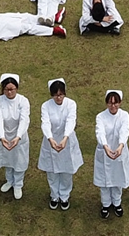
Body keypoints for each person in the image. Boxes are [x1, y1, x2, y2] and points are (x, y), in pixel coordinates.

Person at [39, 78, 84, 210]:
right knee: (52, 172)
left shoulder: (71, 104)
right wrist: (50, 139)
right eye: (55, 95)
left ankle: (64, 195)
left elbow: (71, 121)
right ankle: (54, 195)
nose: (59, 98)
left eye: (61, 94)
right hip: (50, 141)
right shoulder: (45, 106)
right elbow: (45, 123)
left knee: (66, 171)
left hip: (67, 141)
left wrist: (65, 138)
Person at [94, 89, 129, 219]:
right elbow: (100, 132)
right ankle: (105, 204)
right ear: (106, 103)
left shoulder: (124, 115)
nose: (113, 106)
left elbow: (124, 131)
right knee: (104, 181)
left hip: (119, 152)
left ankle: (117, 203)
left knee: (117, 178)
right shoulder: (100, 116)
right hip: (104, 153)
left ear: (120, 103)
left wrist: (120, 146)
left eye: (116, 103)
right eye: (110, 103)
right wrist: (105, 147)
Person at [0, 74, 30, 200]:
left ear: (17, 88)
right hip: (4, 136)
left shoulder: (23, 101)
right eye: (6, 89)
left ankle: (18, 184)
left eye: (12, 89)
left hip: (19, 137)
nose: (9, 92)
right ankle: (10, 180)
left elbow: (24, 119)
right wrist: (2, 137)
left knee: (19, 160)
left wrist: (18, 136)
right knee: (7, 160)